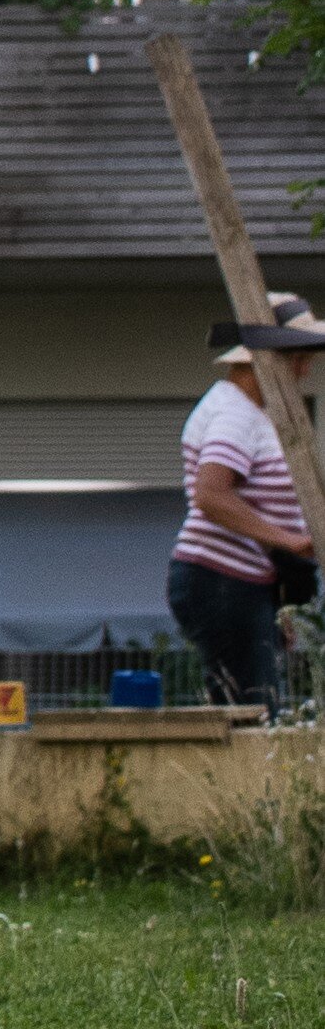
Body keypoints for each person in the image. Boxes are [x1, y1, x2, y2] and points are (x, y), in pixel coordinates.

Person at [174, 296, 319, 716]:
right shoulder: (234, 415)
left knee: (259, 701)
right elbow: (211, 494)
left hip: (245, 582)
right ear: (264, 360)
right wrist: (290, 541)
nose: (305, 371)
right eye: (298, 359)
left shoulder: (253, 413)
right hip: (221, 579)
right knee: (254, 709)